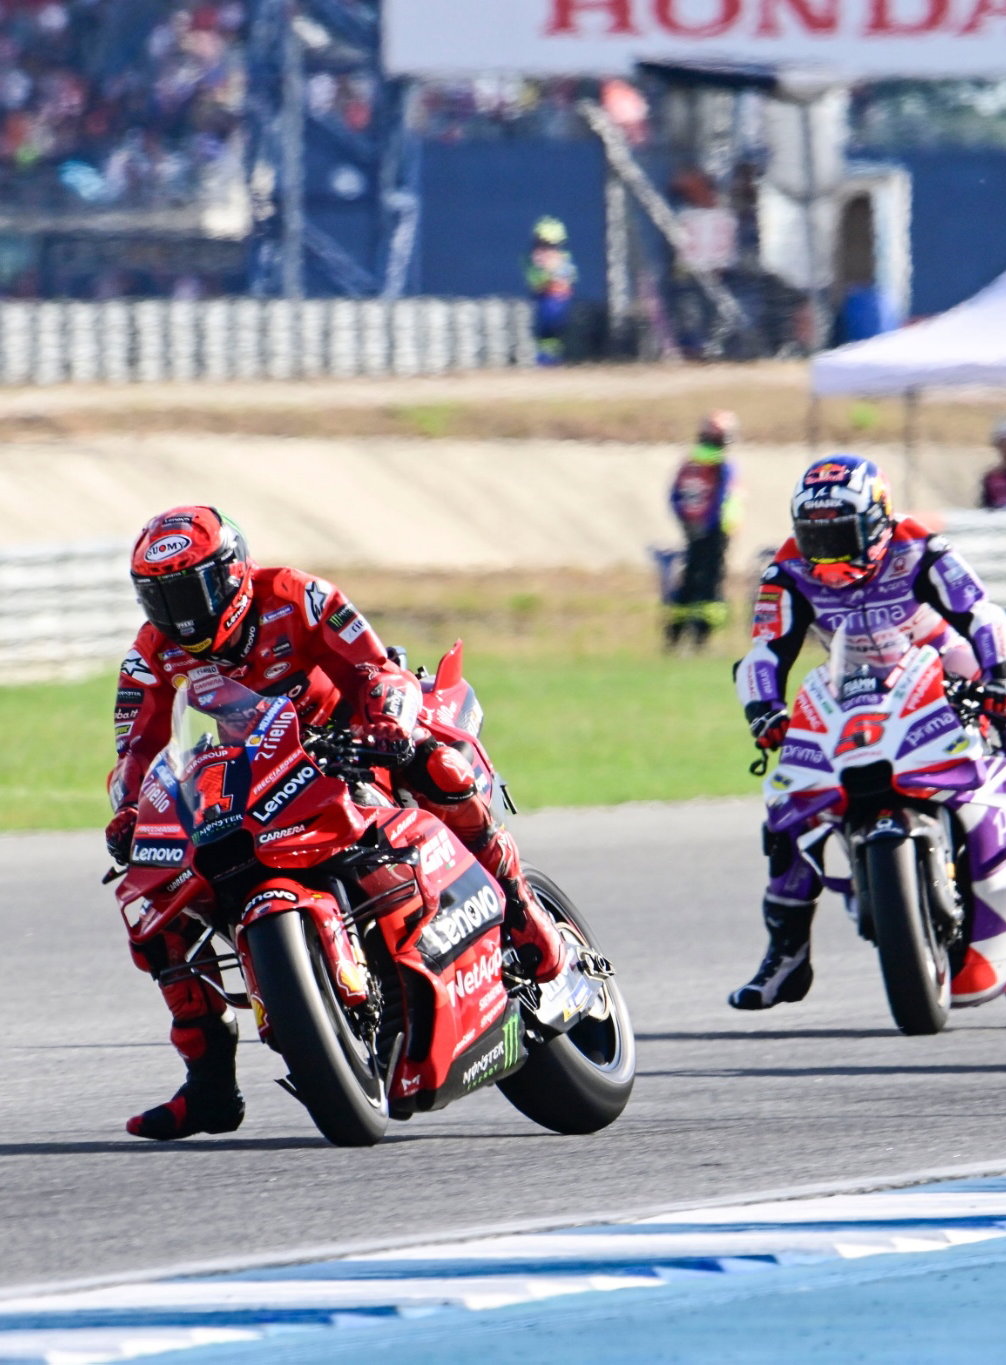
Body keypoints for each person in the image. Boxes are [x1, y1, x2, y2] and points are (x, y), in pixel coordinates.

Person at [105, 506, 569, 1141]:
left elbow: (378, 667)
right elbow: (137, 752)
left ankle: (523, 914)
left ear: (234, 572)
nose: (183, 612)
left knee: (440, 767)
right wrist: (130, 812)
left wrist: (387, 721)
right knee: (149, 907)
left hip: (353, 736)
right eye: (162, 597)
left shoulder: (297, 596)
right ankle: (210, 1084)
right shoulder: (150, 655)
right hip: (256, 774)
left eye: (194, 589)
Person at [729, 454, 1006, 1010]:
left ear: (877, 522)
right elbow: (766, 652)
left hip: (946, 663)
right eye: (813, 535)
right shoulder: (787, 572)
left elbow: (980, 612)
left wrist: (1000, 677)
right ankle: (788, 954)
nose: (825, 550)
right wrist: (765, 711)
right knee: (789, 799)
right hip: (856, 683)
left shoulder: (920, 549)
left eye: (839, 533)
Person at [666, 410, 742, 650]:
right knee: (709, 584)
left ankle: (674, 637)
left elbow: (675, 496)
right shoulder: (721, 466)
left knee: (687, 581)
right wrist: (709, 527)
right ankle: (701, 638)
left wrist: (687, 525)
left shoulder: (690, 464)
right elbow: (720, 500)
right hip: (714, 534)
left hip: (692, 531)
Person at [524, 216, 576, 366]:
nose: (544, 249)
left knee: (556, 334)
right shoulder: (532, 261)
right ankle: (545, 360)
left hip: (559, 302)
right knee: (544, 334)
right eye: (540, 244)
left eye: (548, 245)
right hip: (544, 301)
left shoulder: (564, 259)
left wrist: (555, 271)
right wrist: (544, 272)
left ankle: (554, 359)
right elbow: (535, 283)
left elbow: (568, 282)